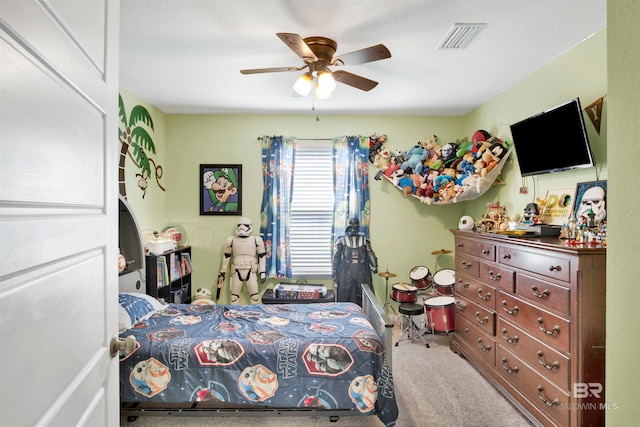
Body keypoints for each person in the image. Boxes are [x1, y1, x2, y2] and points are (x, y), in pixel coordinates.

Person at [218, 217, 266, 304]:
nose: (242, 227)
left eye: (245, 225)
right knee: (234, 297)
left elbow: (262, 255)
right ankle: (234, 315)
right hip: (237, 271)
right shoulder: (231, 240)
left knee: (254, 296)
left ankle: (254, 315)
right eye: (239, 225)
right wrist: (223, 271)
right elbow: (226, 256)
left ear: (250, 226)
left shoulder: (256, 239)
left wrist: (262, 271)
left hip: (251, 271)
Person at [332, 218, 378, 306]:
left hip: (360, 269)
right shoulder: (342, 240)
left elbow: (370, 252)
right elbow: (336, 258)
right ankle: (343, 313)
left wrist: (374, 265)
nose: (353, 230)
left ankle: (363, 313)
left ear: (358, 228)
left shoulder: (364, 240)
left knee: (363, 294)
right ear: (348, 228)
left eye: (355, 227)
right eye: (351, 227)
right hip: (347, 269)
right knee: (344, 294)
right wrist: (334, 271)